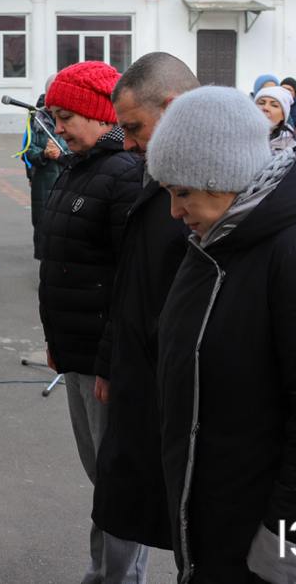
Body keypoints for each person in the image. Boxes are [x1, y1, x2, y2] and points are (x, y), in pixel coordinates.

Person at [146, 86, 296, 584]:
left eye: (182, 191)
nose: (174, 211)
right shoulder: (222, 236)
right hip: (227, 518)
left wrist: (289, 551)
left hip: (277, 550)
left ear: (225, 176)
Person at [36, 60, 147, 584]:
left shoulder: (123, 174)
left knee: (118, 482)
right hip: (77, 352)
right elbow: (65, 266)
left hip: (106, 363)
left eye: (65, 116)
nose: (57, 127)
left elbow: (131, 283)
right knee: (102, 477)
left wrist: (109, 360)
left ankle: (115, 578)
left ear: (101, 116)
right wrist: (57, 342)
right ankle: (104, 573)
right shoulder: (81, 167)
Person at [91, 52, 199, 559]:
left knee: (194, 528)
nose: (128, 143)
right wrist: (111, 361)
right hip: (142, 382)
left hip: (184, 400)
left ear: (174, 108)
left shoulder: (226, 194)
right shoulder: (157, 173)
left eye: (134, 127)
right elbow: (132, 280)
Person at [19, 76, 67, 247]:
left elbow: (85, 148)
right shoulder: (36, 117)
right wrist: (44, 154)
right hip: (43, 182)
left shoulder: (74, 116)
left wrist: (61, 154)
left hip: (67, 179)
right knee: (43, 225)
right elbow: (27, 151)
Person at [254, 85, 296, 152]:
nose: (265, 108)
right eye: (261, 103)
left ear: (283, 115)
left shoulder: (292, 149)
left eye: (274, 105)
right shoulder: (240, 138)